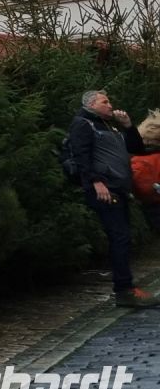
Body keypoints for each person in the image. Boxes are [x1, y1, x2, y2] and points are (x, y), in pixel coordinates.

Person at [68, 90, 160, 307]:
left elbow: (136, 149)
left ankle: (127, 288)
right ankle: (124, 290)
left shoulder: (108, 126)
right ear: (91, 104)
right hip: (105, 190)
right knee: (119, 237)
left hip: (118, 189)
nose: (110, 105)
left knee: (123, 237)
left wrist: (128, 126)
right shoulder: (83, 124)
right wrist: (95, 182)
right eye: (105, 101)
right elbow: (81, 155)